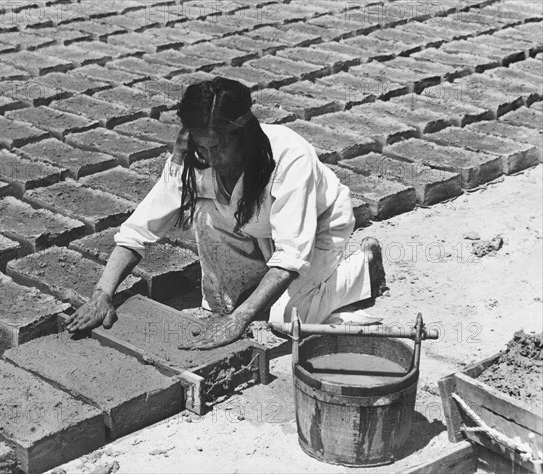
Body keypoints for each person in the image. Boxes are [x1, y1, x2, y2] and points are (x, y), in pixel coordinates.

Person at [65, 77, 386, 349]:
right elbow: (139, 230)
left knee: (285, 319)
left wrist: (240, 319)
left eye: (217, 147)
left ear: (242, 133)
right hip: (255, 225)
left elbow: (291, 254)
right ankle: (245, 289)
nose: (210, 157)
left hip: (319, 224)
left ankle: (361, 270)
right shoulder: (193, 156)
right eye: (201, 147)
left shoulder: (289, 156)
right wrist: (102, 293)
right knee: (204, 216)